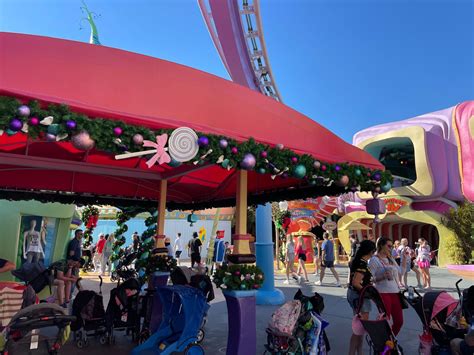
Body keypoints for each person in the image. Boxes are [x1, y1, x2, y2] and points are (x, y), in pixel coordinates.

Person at [369, 237, 404, 336]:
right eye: (389, 246)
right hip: (382, 293)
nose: (391, 248)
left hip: (396, 292)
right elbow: (369, 279)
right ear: (381, 245)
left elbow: (401, 271)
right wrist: (382, 277)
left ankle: (389, 340)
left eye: (392, 246)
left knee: (399, 321)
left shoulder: (391, 258)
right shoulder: (374, 260)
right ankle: (384, 344)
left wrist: (405, 258)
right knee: (385, 320)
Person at [347, 240, 376, 355]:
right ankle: (352, 352)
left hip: (356, 295)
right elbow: (356, 283)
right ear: (370, 251)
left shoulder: (359, 261)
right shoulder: (362, 263)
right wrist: (368, 292)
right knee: (359, 329)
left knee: (360, 328)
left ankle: (359, 352)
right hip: (360, 297)